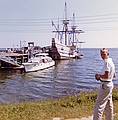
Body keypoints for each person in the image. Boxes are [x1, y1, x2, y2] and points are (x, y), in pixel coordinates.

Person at [93, 48, 115, 120]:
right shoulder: (111, 62)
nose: (102, 56)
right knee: (109, 105)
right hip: (110, 84)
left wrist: (99, 76)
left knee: (99, 106)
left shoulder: (107, 63)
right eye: (101, 54)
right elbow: (114, 75)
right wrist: (102, 76)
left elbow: (106, 76)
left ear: (108, 54)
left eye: (104, 54)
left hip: (105, 85)